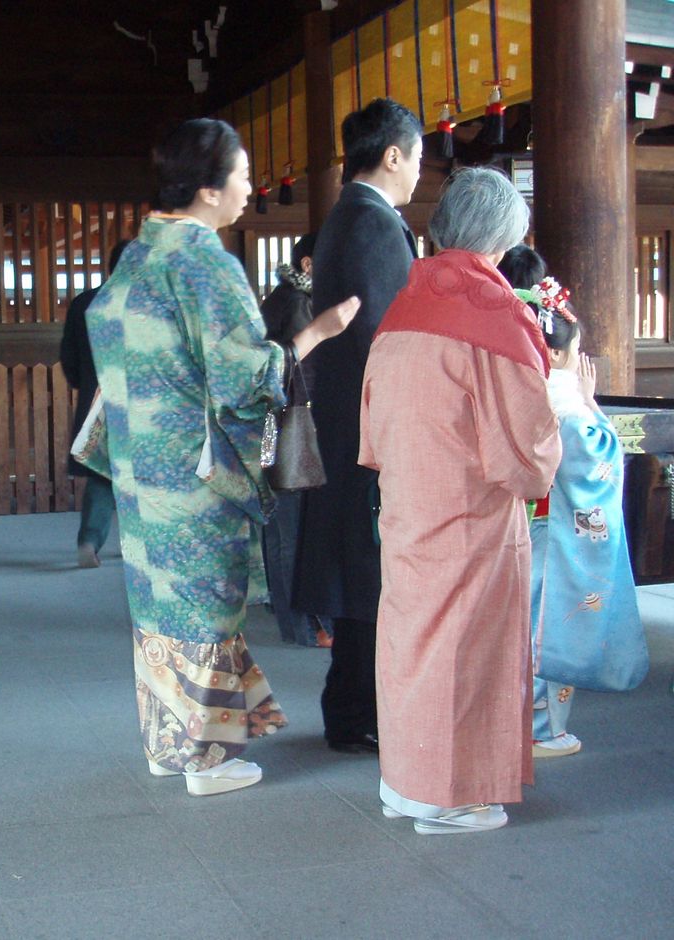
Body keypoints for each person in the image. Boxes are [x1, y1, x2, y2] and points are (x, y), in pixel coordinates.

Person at [85, 118, 359, 796]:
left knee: (157, 606)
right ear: (209, 190)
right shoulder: (205, 261)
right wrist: (316, 333)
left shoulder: (139, 255)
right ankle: (205, 759)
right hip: (196, 472)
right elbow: (242, 378)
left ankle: (169, 743)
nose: (247, 189)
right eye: (240, 176)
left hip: (141, 464)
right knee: (207, 603)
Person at [359, 167, 562, 833]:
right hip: (471, 513)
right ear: (504, 237)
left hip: (410, 502)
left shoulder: (403, 306)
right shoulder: (496, 315)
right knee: (466, 651)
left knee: (412, 641)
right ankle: (449, 794)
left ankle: (404, 782)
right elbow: (527, 449)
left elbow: (374, 420)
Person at [293, 97, 423, 754]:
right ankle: (356, 713)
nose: (419, 172)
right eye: (418, 157)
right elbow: (389, 335)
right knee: (370, 575)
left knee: (359, 575)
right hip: (370, 429)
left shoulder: (349, 215)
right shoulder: (372, 224)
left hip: (348, 423)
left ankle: (350, 709)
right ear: (394, 154)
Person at [519, 277, 648, 757]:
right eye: (576, 350)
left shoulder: (522, 392)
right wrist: (593, 406)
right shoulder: (570, 409)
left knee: (520, 626)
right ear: (554, 355)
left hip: (520, 526)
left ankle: (515, 726)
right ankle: (542, 730)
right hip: (553, 534)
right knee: (550, 627)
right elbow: (596, 467)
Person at [260, 233, 331, 649]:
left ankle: (292, 619)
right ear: (308, 264)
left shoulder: (282, 298)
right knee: (294, 527)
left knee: (280, 525)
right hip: (295, 423)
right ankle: (305, 626)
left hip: (273, 422)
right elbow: (308, 370)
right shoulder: (302, 304)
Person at [60, 240, 129, 568]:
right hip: (143, 406)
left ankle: (89, 541)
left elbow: (69, 358)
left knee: (103, 476)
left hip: (98, 401)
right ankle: (139, 545)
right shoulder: (150, 306)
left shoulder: (85, 304)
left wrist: (84, 386)